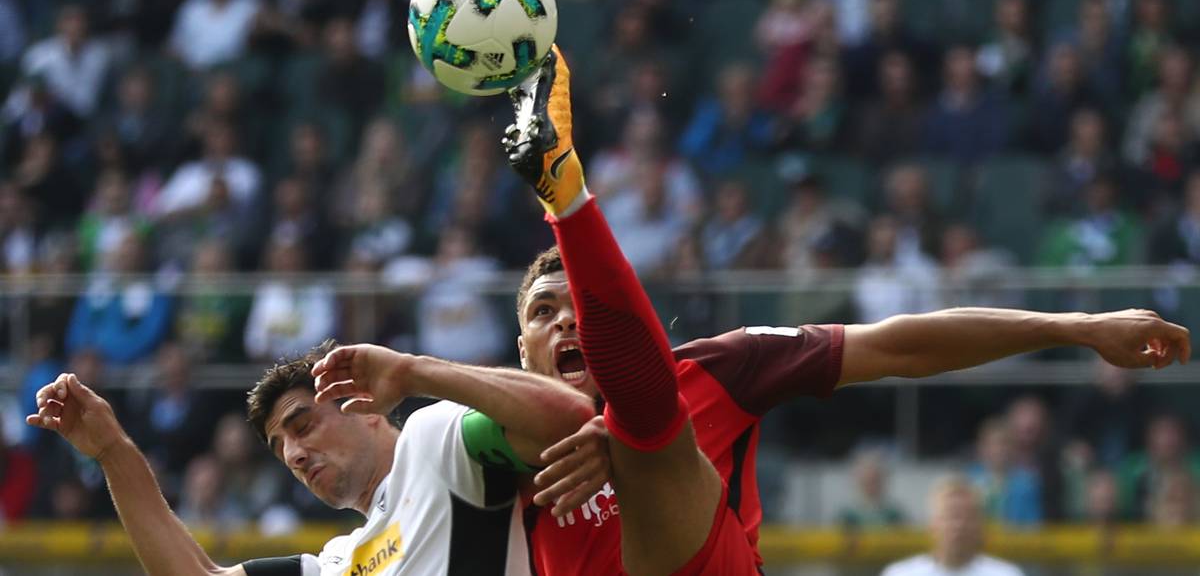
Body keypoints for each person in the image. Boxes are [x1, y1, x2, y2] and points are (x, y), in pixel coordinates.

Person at [499, 46, 1191, 575]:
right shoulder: (484, 443)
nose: (565, 321)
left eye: (581, 305)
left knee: (649, 425)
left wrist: (1079, 326)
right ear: (520, 351)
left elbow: (900, 345)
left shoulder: (718, 370)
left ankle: (566, 196)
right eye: (542, 312)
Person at [25, 339, 595, 575]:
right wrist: (111, 451)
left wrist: (415, 372)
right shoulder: (336, 562)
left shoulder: (435, 439)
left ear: (366, 406)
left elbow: (567, 416)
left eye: (303, 426)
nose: (294, 454)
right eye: (280, 448)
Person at [881, 477, 1025, 576]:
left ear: (980, 525)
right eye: (951, 516)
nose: (959, 525)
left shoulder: (1007, 574)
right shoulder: (899, 574)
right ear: (932, 524)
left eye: (967, 517)